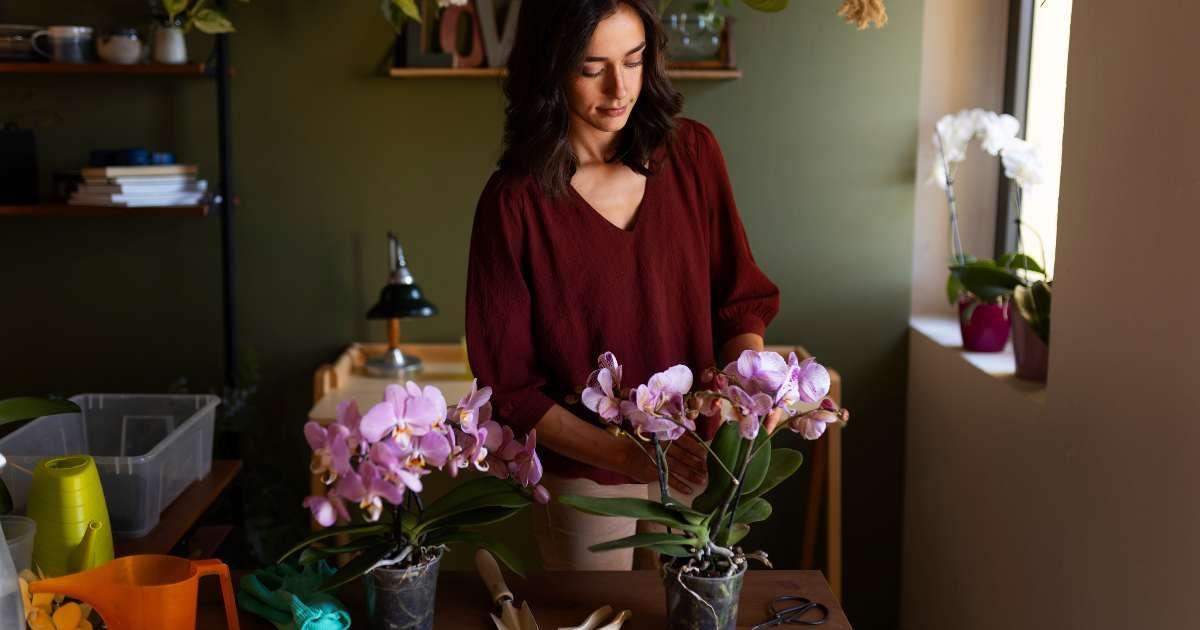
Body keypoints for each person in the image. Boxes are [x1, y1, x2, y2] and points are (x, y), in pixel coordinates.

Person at [465, 0, 779, 570]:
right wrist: (630, 458)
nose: (619, 88)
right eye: (592, 68)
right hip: (587, 481)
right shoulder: (513, 204)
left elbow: (739, 303)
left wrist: (750, 385)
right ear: (550, 69)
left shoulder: (693, 155)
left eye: (633, 61)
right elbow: (510, 389)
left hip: (700, 463)